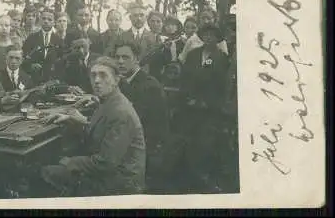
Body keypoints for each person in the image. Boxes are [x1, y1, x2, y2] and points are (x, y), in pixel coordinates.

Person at [41, 56, 146, 196]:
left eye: (103, 75)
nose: (96, 81)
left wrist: (71, 162)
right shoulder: (108, 102)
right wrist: (70, 120)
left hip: (121, 182)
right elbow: (99, 130)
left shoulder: (120, 112)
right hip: (112, 173)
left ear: (116, 80)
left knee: (44, 172)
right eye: (93, 75)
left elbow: (106, 163)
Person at [177, 23, 230, 193]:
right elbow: (184, 79)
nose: (208, 38)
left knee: (206, 143)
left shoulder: (221, 57)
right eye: (205, 34)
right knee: (189, 141)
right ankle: (189, 178)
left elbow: (222, 86)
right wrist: (189, 99)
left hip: (210, 110)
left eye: (212, 35)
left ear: (217, 39)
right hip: (190, 107)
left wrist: (207, 103)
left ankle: (206, 178)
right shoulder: (193, 54)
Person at [114, 41, 168, 192]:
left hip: (143, 152)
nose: (120, 61)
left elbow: (146, 127)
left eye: (125, 57)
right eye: (117, 57)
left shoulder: (149, 86)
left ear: (137, 59)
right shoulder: (124, 82)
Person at [22, 8, 62, 84]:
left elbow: (61, 61)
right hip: (34, 80)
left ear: (54, 22)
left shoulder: (59, 40)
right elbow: (24, 58)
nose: (46, 21)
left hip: (52, 80)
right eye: (44, 19)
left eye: (49, 19)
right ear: (40, 20)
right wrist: (31, 65)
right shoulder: (31, 38)